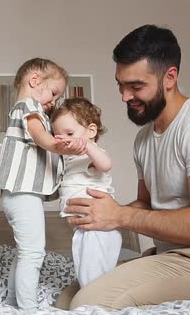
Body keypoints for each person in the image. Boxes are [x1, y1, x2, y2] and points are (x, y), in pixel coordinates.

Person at [57, 25, 190, 310]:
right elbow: (147, 205)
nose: (125, 96)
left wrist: (119, 216)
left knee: (91, 302)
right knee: (67, 297)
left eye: (136, 86)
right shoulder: (144, 139)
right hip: (169, 257)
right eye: (120, 85)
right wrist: (99, 214)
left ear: (170, 77)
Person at [0, 58, 87, 310]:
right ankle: (29, 308)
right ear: (35, 81)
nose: (54, 101)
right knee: (33, 253)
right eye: (54, 92)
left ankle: (13, 301)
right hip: (21, 193)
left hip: (22, 194)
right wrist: (60, 146)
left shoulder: (30, 110)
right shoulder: (27, 106)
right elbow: (40, 137)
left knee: (27, 250)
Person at [51, 98, 122, 288]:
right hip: (83, 226)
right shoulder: (67, 158)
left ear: (91, 131)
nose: (64, 139)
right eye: (58, 135)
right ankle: (93, 290)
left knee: (93, 264)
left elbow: (106, 165)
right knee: (84, 261)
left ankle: (94, 294)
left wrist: (88, 146)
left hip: (97, 222)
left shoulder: (90, 153)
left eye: (70, 133)